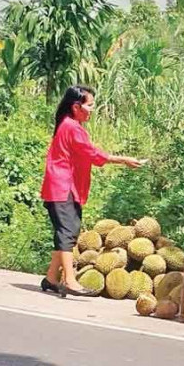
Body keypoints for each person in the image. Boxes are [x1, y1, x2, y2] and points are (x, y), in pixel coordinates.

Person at [40, 86, 142, 297]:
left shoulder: (69, 125)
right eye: (90, 105)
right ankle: (69, 280)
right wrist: (123, 159)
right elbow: (93, 154)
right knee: (67, 233)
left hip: (66, 186)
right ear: (76, 107)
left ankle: (51, 278)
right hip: (63, 186)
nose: (92, 110)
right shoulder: (72, 127)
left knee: (68, 232)